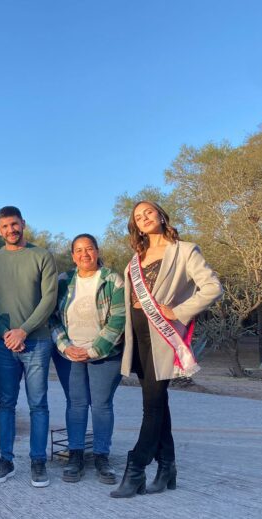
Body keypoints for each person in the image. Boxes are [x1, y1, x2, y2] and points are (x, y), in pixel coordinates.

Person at [110, 200, 222, 498]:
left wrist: (178, 311)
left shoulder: (185, 250)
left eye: (148, 212)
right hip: (138, 334)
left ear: (161, 215)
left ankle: (136, 466)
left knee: (153, 404)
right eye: (138, 216)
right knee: (158, 402)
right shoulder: (135, 259)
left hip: (163, 335)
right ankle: (167, 467)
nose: (144, 218)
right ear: (135, 225)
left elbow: (212, 287)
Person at [0, 206, 58, 487]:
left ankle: (38, 461)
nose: (11, 230)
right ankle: (6, 460)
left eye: (14, 224)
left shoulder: (42, 256)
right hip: (5, 345)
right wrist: (6, 334)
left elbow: (49, 300)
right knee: (6, 404)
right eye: (4, 226)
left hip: (37, 342)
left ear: (23, 223)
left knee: (38, 403)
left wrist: (23, 330)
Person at [51, 234, 125, 484]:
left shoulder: (112, 280)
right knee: (76, 404)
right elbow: (53, 318)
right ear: (73, 255)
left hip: (104, 354)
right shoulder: (64, 281)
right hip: (69, 355)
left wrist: (92, 350)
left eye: (89, 249)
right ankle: (76, 455)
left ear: (97, 251)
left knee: (102, 405)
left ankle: (102, 456)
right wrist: (66, 346)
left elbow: (118, 320)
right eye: (79, 250)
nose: (84, 254)